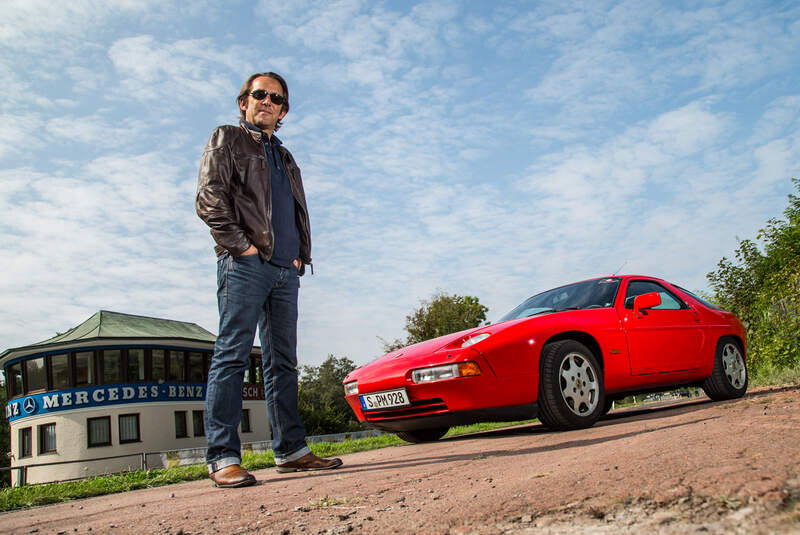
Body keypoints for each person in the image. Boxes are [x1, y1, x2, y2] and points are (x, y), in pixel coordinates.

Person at [196, 72, 342, 488]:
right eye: (259, 94)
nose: (267, 101)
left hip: (285, 270)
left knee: (283, 363)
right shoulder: (227, 138)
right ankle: (223, 457)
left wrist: (298, 258)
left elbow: (292, 211)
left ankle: (292, 451)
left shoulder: (286, 156)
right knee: (232, 356)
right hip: (244, 264)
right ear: (244, 101)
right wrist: (241, 247)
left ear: (283, 111)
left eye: (275, 98)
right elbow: (209, 198)